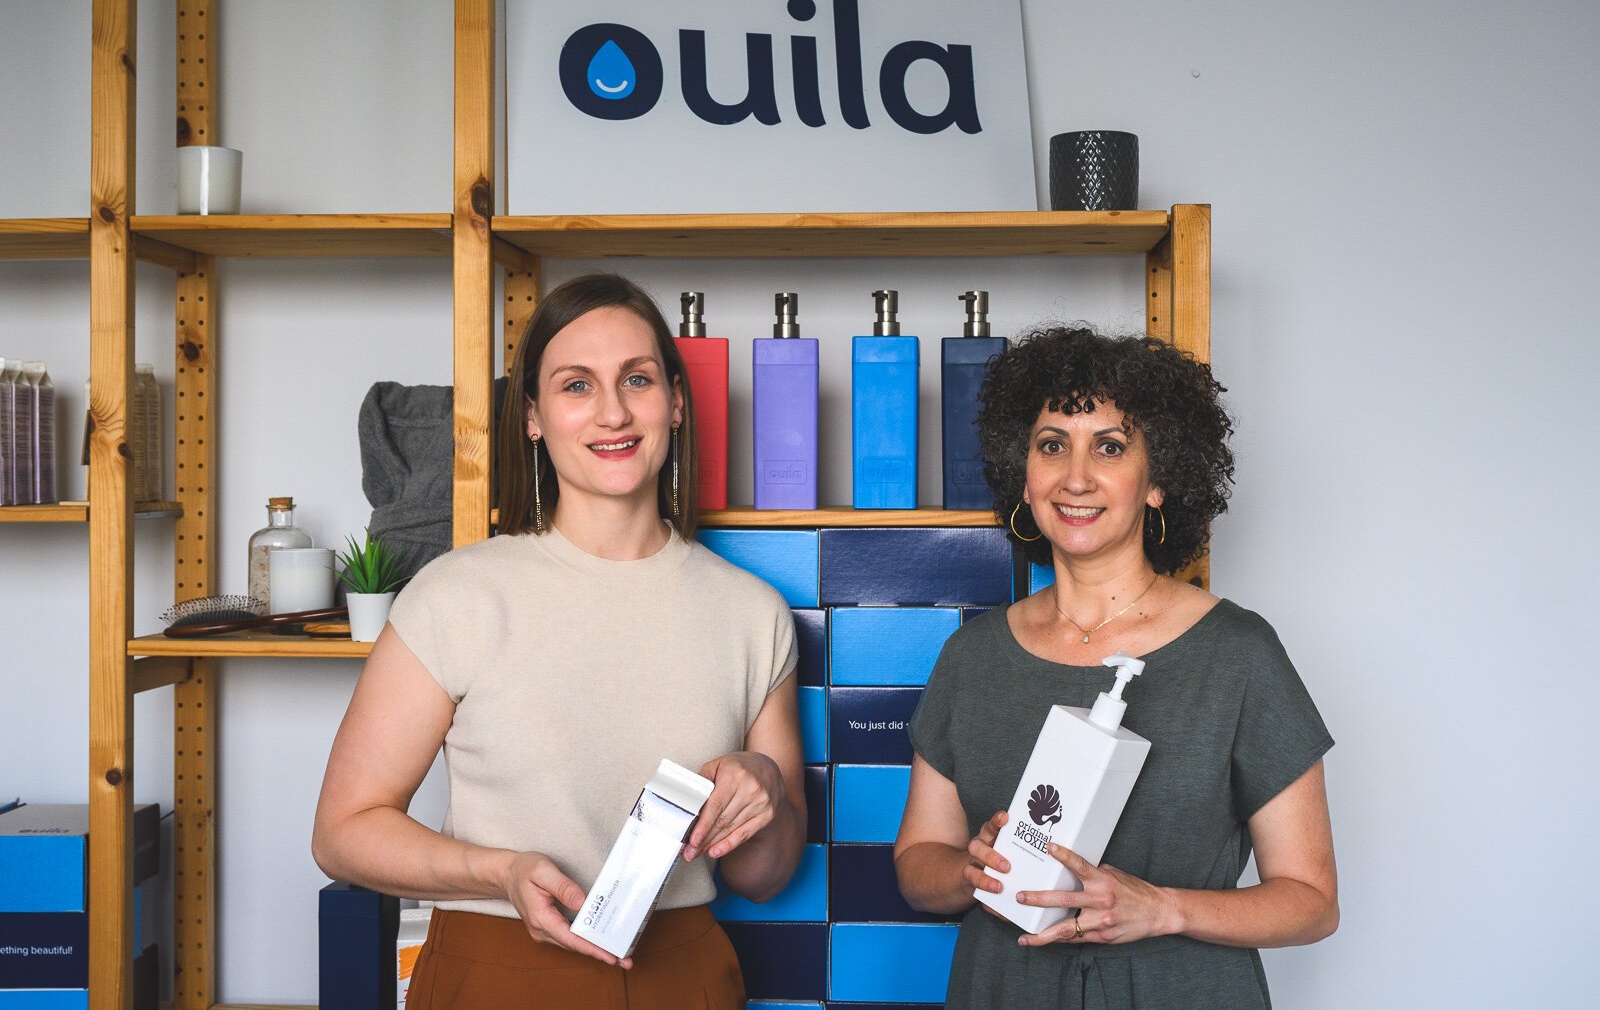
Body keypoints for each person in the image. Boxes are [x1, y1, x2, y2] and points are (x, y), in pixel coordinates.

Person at [313, 273, 806, 1008]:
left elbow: (764, 878)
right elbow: (342, 832)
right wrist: (499, 871)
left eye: (636, 379)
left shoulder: (753, 613)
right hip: (493, 975)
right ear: (533, 417)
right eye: (577, 385)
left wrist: (766, 789)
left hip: (686, 978)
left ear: (674, 401)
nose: (613, 412)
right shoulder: (456, 595)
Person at [894, 325, 1337, 1008]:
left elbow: (1312, 901)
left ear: (1157, 481)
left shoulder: (1238, 653)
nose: (1076, 477)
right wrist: (968, 869)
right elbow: (917, 864)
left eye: (1109, 446)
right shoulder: (973, 656)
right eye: (1052, 445)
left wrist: (1163, 908)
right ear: (1024, 477)